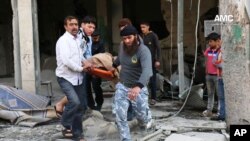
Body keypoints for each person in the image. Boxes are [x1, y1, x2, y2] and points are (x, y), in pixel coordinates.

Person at [112, 25, 153, 141]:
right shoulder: (122, 46)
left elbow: (147, 71)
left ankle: (146, 119)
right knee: (120, 116)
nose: (127, 41)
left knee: (141, 116)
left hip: (139, 88)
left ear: (135, 36)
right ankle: (125, 139)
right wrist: (114, 65)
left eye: (129, 38)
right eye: (124, 38)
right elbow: (120, 58)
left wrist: (138, 87)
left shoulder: (144, 51)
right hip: (123, 86)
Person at [55, 15, 91, 141]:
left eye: (76, 24)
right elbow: (66, 61)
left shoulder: (78, 40)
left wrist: (86, 62)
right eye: (71, 24)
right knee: (74, 102)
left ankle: (78, 135)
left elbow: (80, 56)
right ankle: (65, 122)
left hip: (78, 77)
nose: (74, 27)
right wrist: (81, 69)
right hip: (65, 77)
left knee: (80, 107)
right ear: (66, 26)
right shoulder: (63, 41)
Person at [140, 21, 160, 105]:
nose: (142, 29)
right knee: (142, 80)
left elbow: (158, 48)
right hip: (142, 61)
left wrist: (158, 60)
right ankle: (143, 97)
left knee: (152, 80)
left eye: (144, 27)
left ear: (148, 27)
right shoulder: (142, 37)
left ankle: (153, 98)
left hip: (151, 61)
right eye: (141, 27)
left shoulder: (153, 36)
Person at [202, 32, 221, 117]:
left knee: (219, 95)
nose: (209, 43)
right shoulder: (208, 50)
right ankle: (209, 110)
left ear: (217, 41)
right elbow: (206, 60)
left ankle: (220, 111)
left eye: (211, 41)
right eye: (209, 42)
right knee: (210, 94)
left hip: (217, 76)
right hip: (209, 75)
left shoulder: (220, 51)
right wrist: (206, 71)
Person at [86, 29, 105, 111]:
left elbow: (101, 56)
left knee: (96, 86)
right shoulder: (88, 43)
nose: (95, 39)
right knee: (87, 87)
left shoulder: (101, 43)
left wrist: (97, 68)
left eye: (96, 37)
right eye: (94, 37)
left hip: (96, 68)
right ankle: (90, 104)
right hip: (87, 67)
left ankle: (99, 103)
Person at [211, 36, 225, 121]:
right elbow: (214, 61)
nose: (218, 42)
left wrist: (218, 63)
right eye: (219, 41)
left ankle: (224, 115)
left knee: (225, 98)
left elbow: (222, 64)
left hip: (225, 77)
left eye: (220, 41)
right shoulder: (219, 51)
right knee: (221, 98)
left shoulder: (226, 51)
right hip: (220, 77)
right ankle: (222, 115)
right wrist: (219, 63)